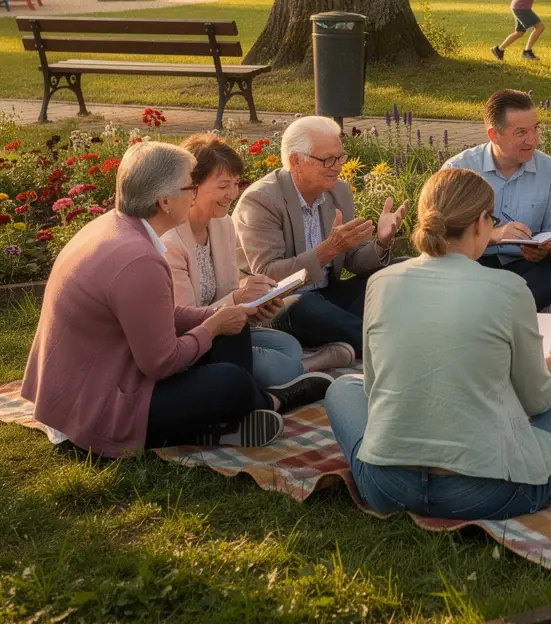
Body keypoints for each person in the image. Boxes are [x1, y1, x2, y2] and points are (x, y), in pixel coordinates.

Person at [324, 167, 551, 520]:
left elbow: (372, 386)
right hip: (489, 490)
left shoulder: (381, 282)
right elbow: (536, 400)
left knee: (341, 390)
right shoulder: (509, 289)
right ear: (481, 223)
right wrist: (546, 374)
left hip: (388, 485)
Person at [21, 142, 331, 457]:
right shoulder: (139, 259)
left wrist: (217, 319)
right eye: (190, 187)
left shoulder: (114, 227)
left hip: (99, 378)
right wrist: (210, 328)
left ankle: (232, 415)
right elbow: (161, 363)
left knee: (233, 329)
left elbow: (163, 317)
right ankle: (267, 404)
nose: (194, 195)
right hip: (96, 411)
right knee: (231, 382)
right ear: (165, 201)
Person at [163, 134, 353, 380]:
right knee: (272, 363)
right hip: (194, 341)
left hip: (230, 330)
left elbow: (230, 293)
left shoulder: (222, 225)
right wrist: (239, 298)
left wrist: (257, 305)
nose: (232, 194)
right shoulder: (171, 241)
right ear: (191, 186)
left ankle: (294, 370)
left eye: (235, 184)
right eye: (223, 186)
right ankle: (306, 369)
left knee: (289, 347)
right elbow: (188, 323)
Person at [233, 116, 408, 357]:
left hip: (329, 297)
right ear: (297, 161)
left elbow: (352, 259)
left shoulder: (339, 191)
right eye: (327, 159)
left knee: (401, 271)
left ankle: (346, 336)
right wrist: (330, 249)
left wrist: (381, 242)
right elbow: (269, 275)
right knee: (306, 307)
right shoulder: (262, 200)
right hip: (280, 304)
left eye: (340, 157)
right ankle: (390, 350)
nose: (337, 166)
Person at [443, 90, 551, 312]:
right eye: (521, 132)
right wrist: (495, 235)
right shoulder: (458, 169)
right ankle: (525, 309)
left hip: (527, 268)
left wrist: (544, 249)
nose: (532, 139)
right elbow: (442, 238)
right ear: (494, 135)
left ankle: (489, 312)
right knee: (449, 270)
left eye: (536, 128)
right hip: (474, 264)